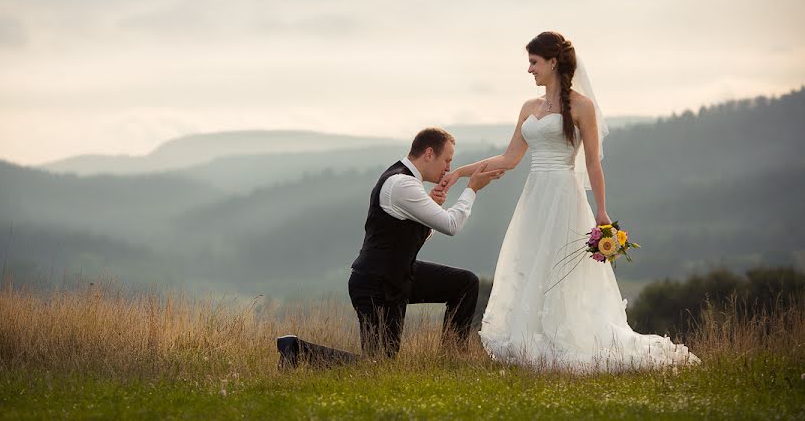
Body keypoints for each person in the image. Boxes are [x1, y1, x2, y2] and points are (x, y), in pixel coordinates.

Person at [436, 32, 700, 371]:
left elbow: (592, 164)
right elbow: (509, 158)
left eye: (533, 62)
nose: (529, 70)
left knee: (560, 267)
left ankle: (564, 337)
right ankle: (532, 340)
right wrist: (460, 172)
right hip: (534, 198)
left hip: (564, 196)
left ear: (553, 62)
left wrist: (602, 212)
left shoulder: (581, 107)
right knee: (532, 264)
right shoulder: (529, 108)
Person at [277, 128, 504, 368]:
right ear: (429, 153)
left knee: (465, 284)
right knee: (379, 366)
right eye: (447, 160)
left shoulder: (407, 183)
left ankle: (452, 360)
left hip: (398, 275)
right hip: (376, 284)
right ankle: (295, 350)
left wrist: (429, 211)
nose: (449, 168)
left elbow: (408, 236)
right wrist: (472, 190)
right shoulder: (402, 184)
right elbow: (451, 225)